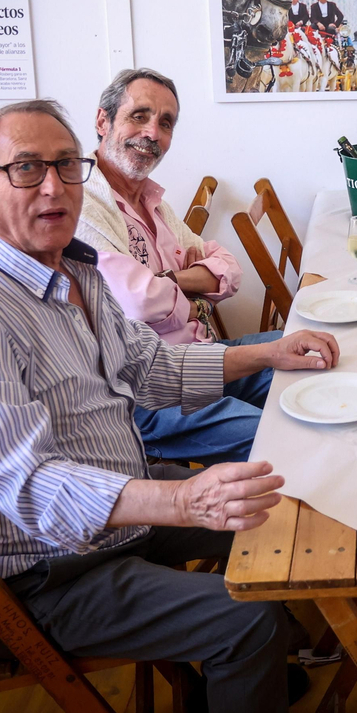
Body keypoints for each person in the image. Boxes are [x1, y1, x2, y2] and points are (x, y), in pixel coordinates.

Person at [0, 99, 341, 713]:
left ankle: (245, 681)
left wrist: (268, 353)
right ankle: (248, 661)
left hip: (118, 517)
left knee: (290, 509)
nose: (54, 187)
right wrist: (184, 500)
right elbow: (30, 486)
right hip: (40, 576)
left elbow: (153, 369)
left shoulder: (72, 269)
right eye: (26, 168)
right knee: (248, 619)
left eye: (66, 165)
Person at [74, 68, 278, 464]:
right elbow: (137, 302)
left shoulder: (154, 203)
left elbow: (230, 269)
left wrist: (167, 281)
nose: (152, 132)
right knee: (279, 437)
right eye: (139, 116)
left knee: (309, 357)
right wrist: (195, 295)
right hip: (141, 395)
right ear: (102, 121)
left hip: (197, 356)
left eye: (165, 123)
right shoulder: (82, 201)